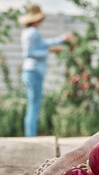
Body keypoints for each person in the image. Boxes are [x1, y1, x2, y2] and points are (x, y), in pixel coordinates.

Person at [18, 5, 73, 137]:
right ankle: (30, 137)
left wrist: (60, 39)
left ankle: (30, 135)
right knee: (34, 106)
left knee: (33, 105)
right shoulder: (33, 32)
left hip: (30, 72)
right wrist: (49, 51)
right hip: (33, 72)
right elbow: (29, 53)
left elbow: (42, 44)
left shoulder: (29, 32)